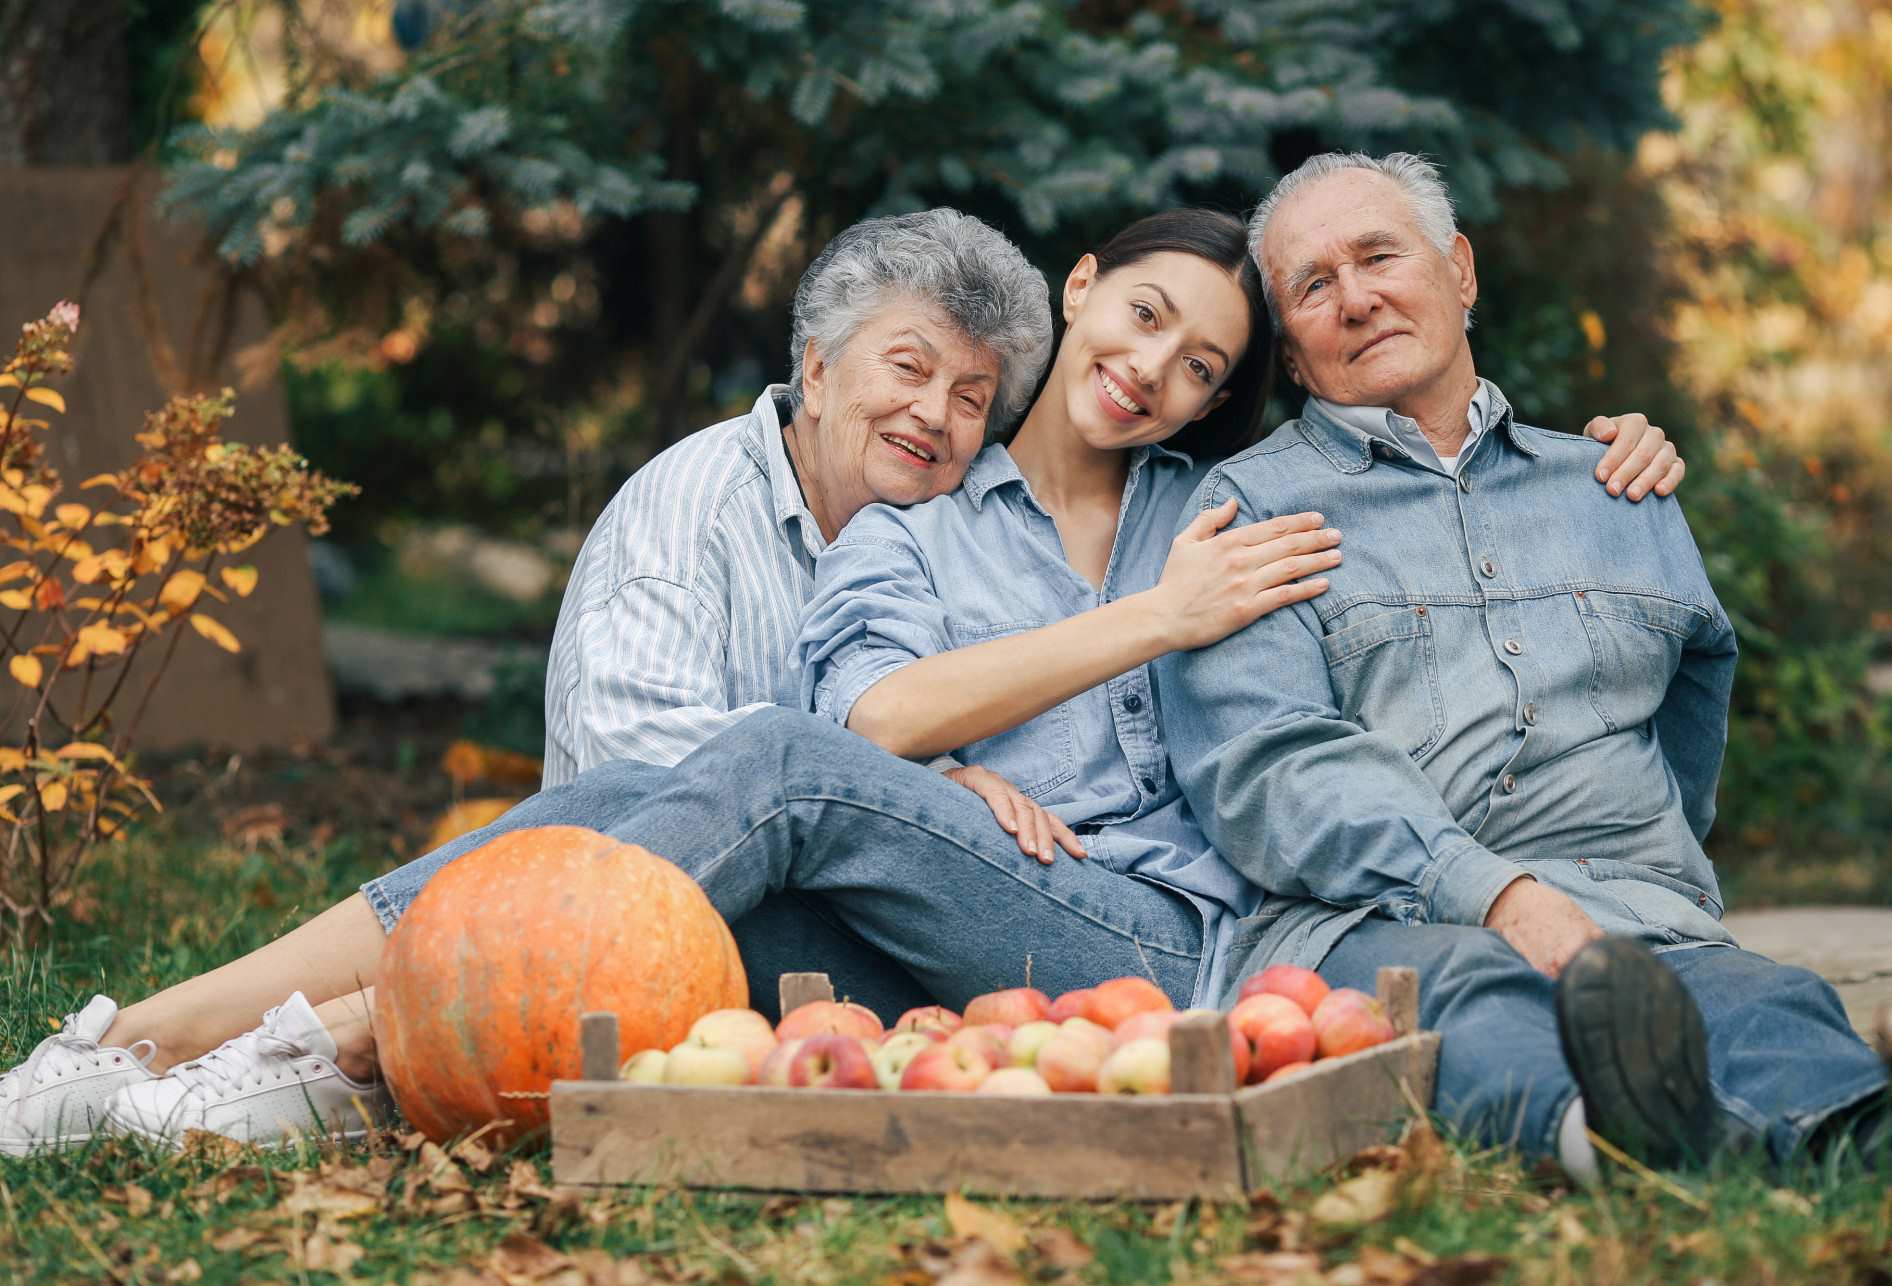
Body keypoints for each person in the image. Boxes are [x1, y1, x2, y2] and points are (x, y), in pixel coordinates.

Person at [0, 201, 1686, 1155]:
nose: (1159, 372)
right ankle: (158, 1051)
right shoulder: (914, 528)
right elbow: (875, 725)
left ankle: (262, 1058)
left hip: (1161, 937)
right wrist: (1139, 632)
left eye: (1204, 368)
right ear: (1081, 287)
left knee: (764, 769)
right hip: (929, 921)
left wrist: (1601, 449)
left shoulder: (1228, 509)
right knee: (638, 801)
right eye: (1147, 316)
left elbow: (1435, 473)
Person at [1156, 152, 1889, 1180]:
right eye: (1313, 287)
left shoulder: (1611, 487)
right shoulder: (1251, 512)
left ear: (1458, 269)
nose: (1356, 297)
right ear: (1289, 351)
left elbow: (1688, 717)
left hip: (1631, 908)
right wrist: (1496, 891)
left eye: (1378, 256)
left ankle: (1858, 1143)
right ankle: (1628, 1146)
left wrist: (1637, 871)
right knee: (1462, 1004)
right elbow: (1270, 770)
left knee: (1766, 1000)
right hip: (1384, 919)